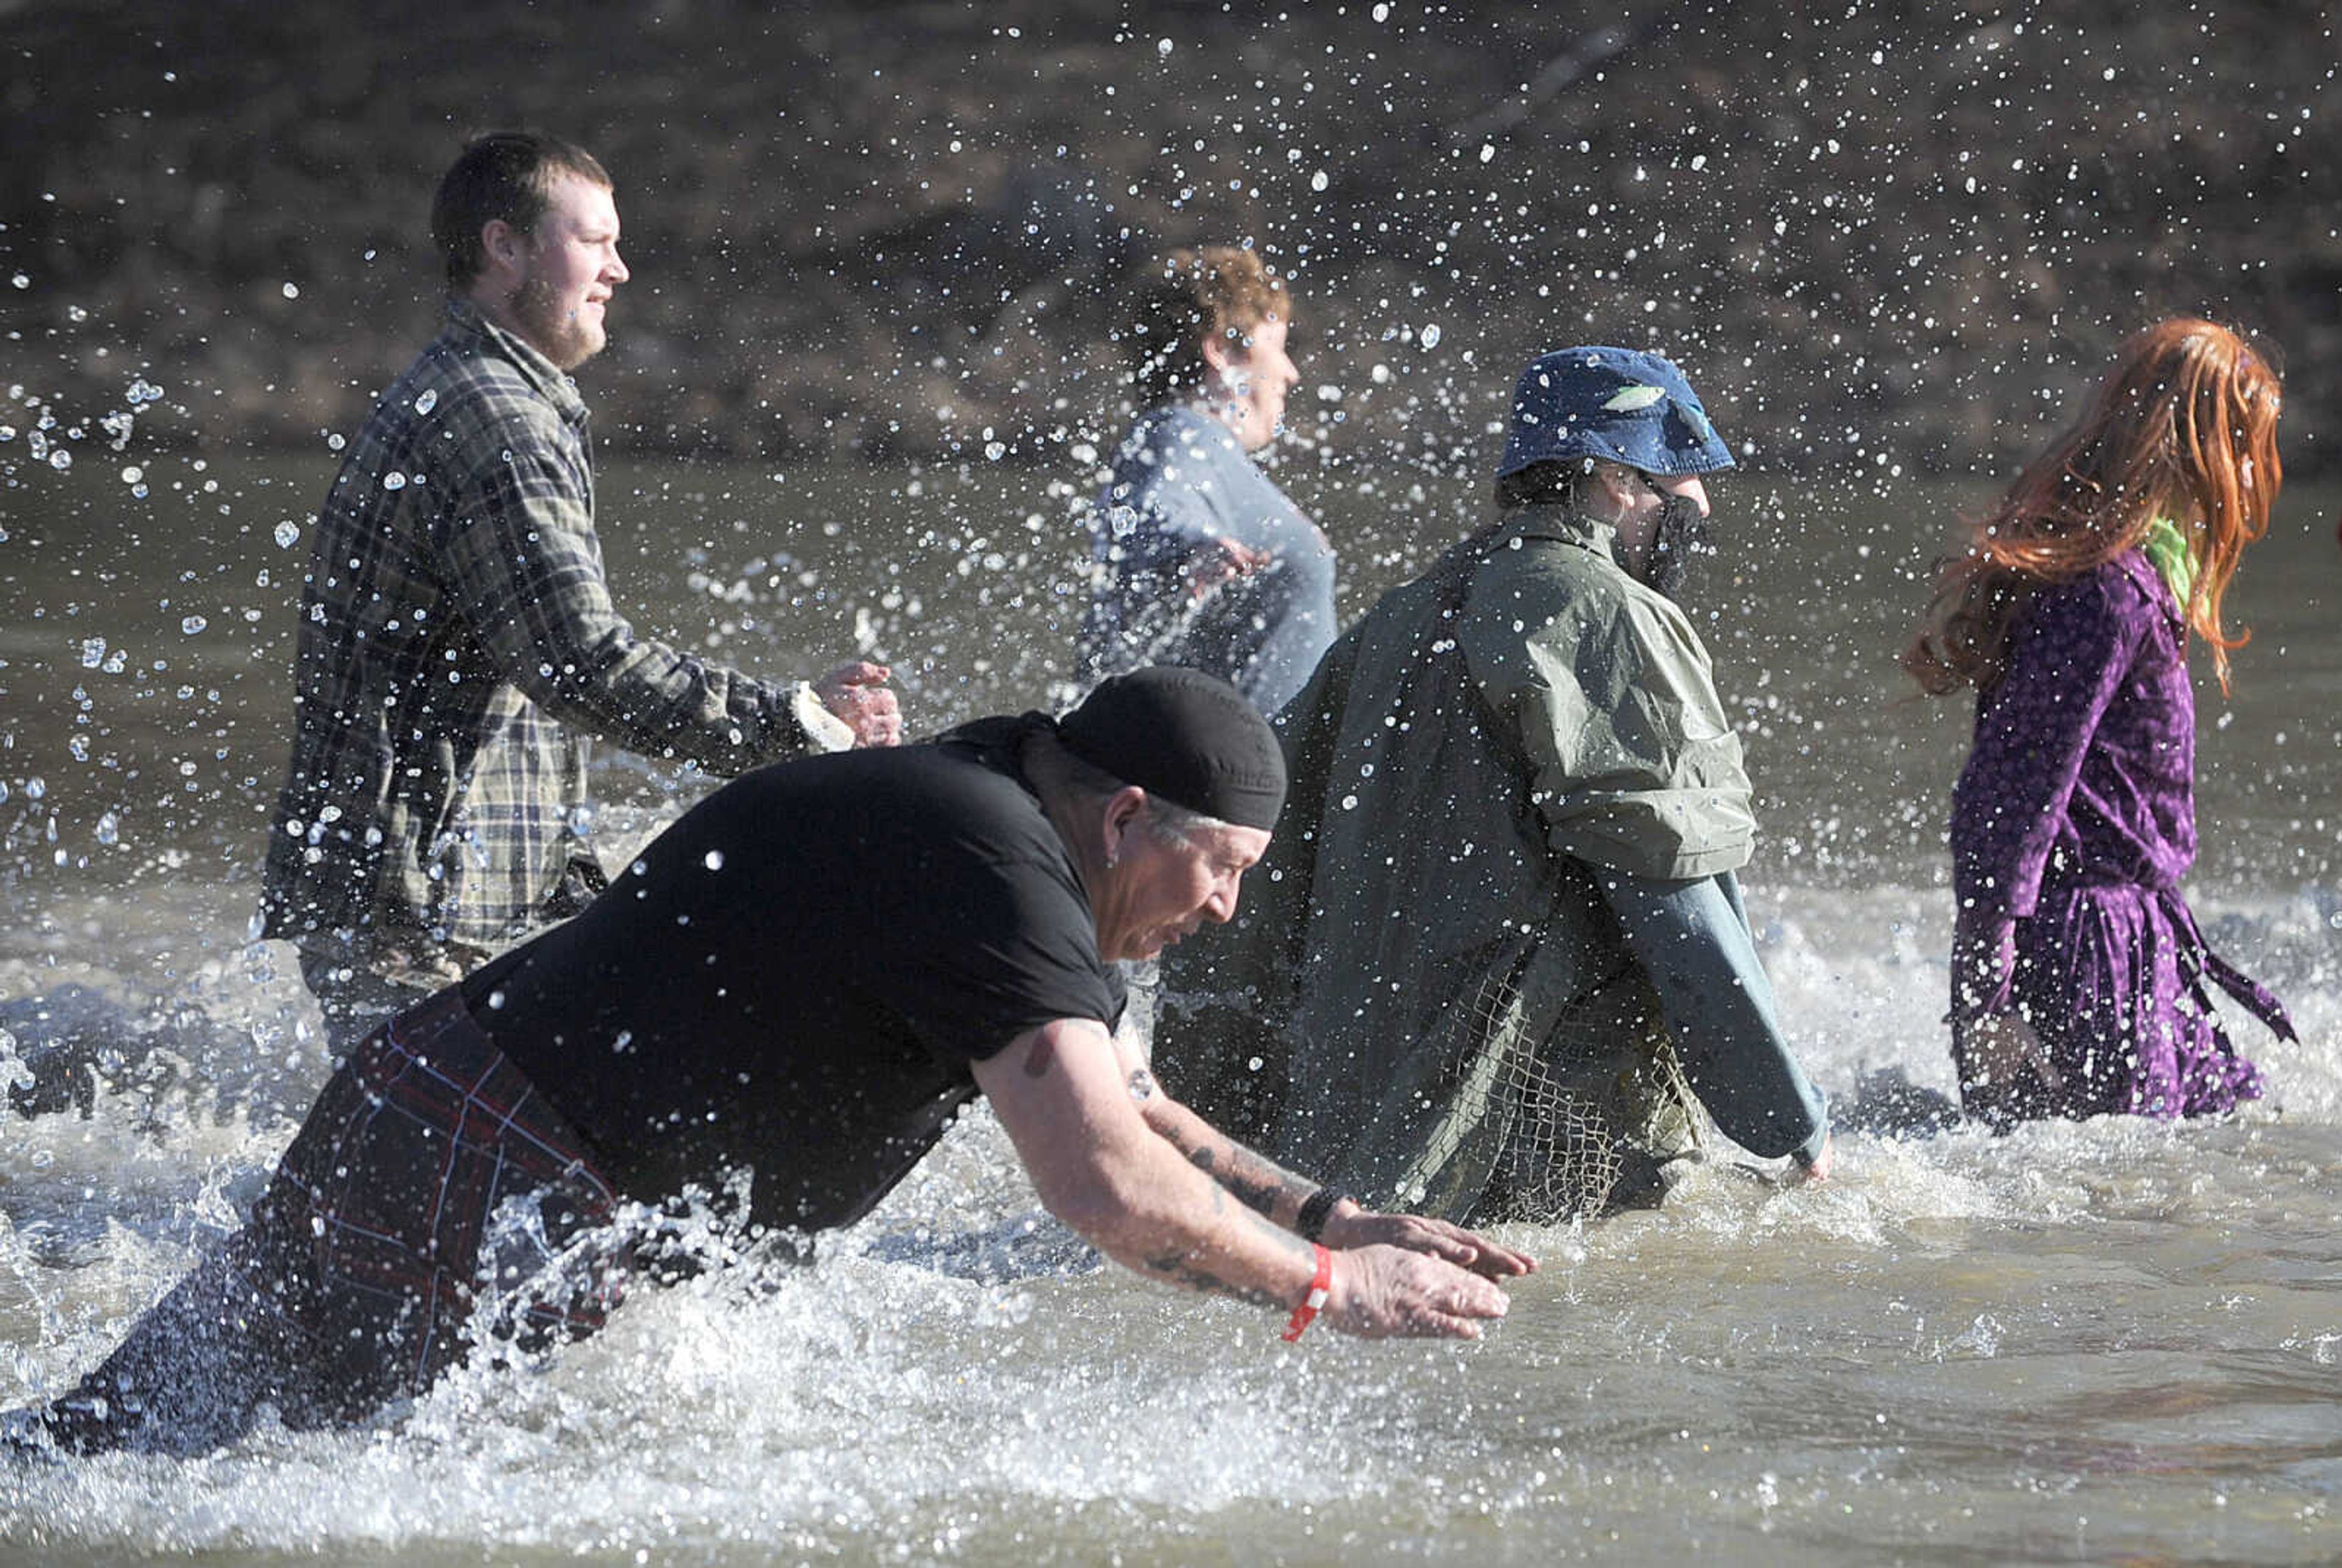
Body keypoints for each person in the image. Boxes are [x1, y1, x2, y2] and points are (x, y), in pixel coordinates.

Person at [13, 668, 1533, 1457]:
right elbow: (1103, 1183)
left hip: (478, 1140)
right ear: (1129, 813)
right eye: (1225, 867)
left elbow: (1130, 1100)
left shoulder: (1000, 824)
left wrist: (1332, 1214)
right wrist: (1327, 1292)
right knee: (170, 1470)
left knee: (151, 1439)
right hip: (471, 1153)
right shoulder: (989, 853)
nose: (1228, 908)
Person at [1155, 346, 1833, 1224]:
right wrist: (1789, 1121)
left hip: (1352, 1145)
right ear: (1616, 479)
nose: (1696, 510)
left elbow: (1255, 884)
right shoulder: (1604, 612)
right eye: (1679, 483)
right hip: (1536, 1140)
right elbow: (1677, 896)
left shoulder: (1397, 616)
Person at [258, 131, 900, 1051]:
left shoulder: (474, 391)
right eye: (593, 241)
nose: (620, 270)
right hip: (418, 913)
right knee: (449, 1183)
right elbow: (580, 661)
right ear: (504, 247)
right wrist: (797, 726)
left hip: (436, 895)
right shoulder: (498, 421)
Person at [1902, 318, 2296, 1126]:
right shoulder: (2103, 593)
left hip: (2136, 933)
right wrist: (1986, 999)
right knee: (2112, 1215)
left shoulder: (2140, 580)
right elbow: (2010, 789)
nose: (2257, 469)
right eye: (2248, 443)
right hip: (2081, 950)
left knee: (2218, 1137)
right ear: (2196, 449)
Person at [1073, 245, 1336, 716]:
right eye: (1276, 348)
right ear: (1220, 351)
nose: (1290, 373)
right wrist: (1191, 547)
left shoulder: (1211, 453)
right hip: (1228, 778)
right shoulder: (1181, 435)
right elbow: (1148, 513)